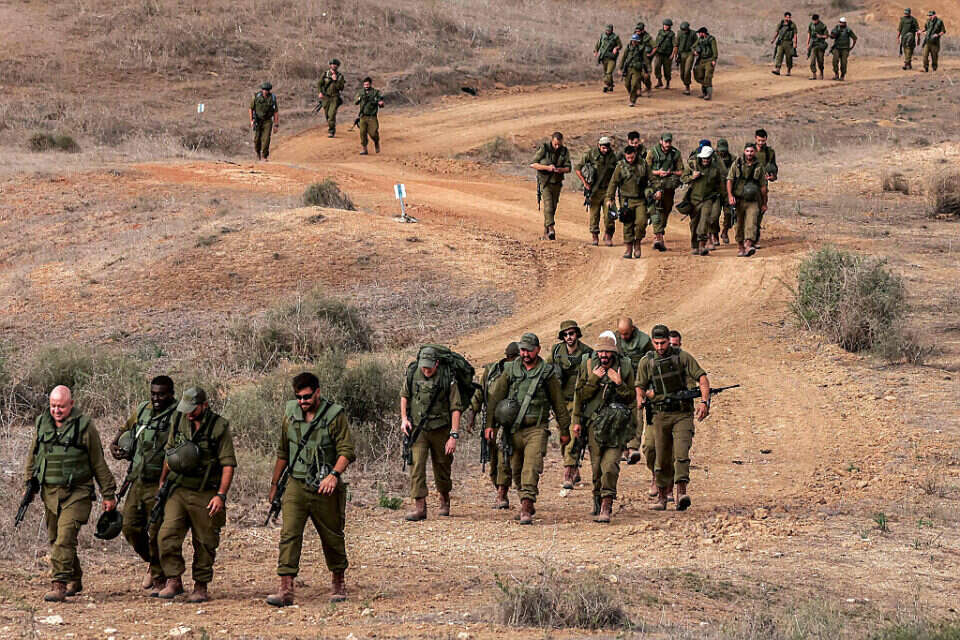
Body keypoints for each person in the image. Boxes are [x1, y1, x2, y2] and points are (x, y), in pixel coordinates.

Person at [266, 372, 355, 607]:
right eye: (298, 397)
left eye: (306, 397)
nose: (302, 401)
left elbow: (346, 451)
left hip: (324, 487)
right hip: (296, 484)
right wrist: (274, 485)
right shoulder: (290, 414)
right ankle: (286, 588)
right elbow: (283, 452)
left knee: (332, 534)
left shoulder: (334, 416)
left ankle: (338, 582)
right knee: (289, 535)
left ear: (317, 392)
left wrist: (334, 475)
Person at [24, 386, 117, 602]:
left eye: (61, 406)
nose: (56, 410)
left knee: (65, 538)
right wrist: (30, 481)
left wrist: (108, 494)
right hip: (50, 493)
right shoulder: (42, 423)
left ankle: (59, 584)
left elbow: (98, 462)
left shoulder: (85, 427)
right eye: (53, 406)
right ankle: (75, 577)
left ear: (71, 404)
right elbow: (33, 454)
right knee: (56, 538)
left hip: (78, 492)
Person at [156, 387, 237, 602]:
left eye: (193, 410)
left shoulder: (219, 427)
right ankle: (174, 580)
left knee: (205, 541)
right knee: (167, 535)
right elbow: (170, 453)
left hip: (205, 491)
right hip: (179, 488)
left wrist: (221, 495)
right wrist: (162, 481)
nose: (189, 414)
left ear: (204, 405)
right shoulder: (179, 420)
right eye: (186, 410)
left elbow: (228, 464)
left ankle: (201, 585)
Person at [487, 333, 570, 525]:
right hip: (513, 429)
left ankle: (526, 507)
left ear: (538, 350)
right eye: (522, 350)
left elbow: (558, 403)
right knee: (516, 469)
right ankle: (525, 500)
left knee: (531, 468)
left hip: (536, 428)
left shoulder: (546, 373)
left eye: (529, 350)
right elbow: (495, 398)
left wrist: (564, 431)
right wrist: (490, 425)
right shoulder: (510, 370)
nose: (525, 354)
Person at [109, 376, 178, 596]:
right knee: (130, 527)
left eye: (161, 394)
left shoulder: (178, 415)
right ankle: (153, 563)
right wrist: (115, 445)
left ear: (171, 394)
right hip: (137, 479)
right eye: (153, 394)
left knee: (158, 532)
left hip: (161, 483)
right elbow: (125, 429)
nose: (156, 398)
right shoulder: (143, 410)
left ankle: (161, 579)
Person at [635, 325, 710, 511]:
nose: (660, 347)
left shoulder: (682, 357)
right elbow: (640, 385)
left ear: (669, 341)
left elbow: (702, 378)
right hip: (660, 415)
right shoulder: (647, 361)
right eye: (656, 343)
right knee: (661, 457)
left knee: (681, 453)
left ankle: (681, 493)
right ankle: (662, 497)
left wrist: (704, 402)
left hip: (682, 414)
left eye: (663, 343)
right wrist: (641, 398)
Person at [570, 334, 636, 523]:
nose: (604, 355)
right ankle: (597, 500)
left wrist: (619, 383)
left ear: (613, 352)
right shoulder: (589, 366)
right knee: (596, 468)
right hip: (594, 425)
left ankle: (607, 504)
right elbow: (579, 396)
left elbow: (631, 397)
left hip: (616, 426)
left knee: (610, 466)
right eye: (601, 352)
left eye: (607, 352)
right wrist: (593, 380)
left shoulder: (625, 367)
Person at [400, 347, 462, 521]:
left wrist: (453, 435)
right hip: (418, 429)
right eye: (424, 367)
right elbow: (404, 396)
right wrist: (404, 419)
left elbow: (456, 408)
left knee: (442, 465)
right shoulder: (413, 373)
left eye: (429, 367)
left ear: (437, 364)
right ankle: (420, 507)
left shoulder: (447, 377)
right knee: (416, 465)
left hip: (441, 428)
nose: (426, 370)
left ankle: (444, 498)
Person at [470, 342, 521, 509]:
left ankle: (502, 494)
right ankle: (499, 488)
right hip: (491, 423)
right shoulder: (492, 371)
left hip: (509, 424)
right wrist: (472, 415)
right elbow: (480, 393)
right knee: (493, 463)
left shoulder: (520, 373)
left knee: (504, 459)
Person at [549, 321, 593, 489]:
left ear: (577, 334)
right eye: (566, 334)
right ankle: (574, 470)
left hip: (578, 401)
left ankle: (568, 472)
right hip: (561, 402)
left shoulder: (587, 352)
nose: (569, 337)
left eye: (572, 333)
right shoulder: (556, 351)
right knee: (564, 437)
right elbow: (545, 370)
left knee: (575, 437)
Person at [614, 318, 653, 468]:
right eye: (621, 334)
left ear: (633, 329)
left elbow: (651, 362)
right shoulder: (614, 339)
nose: (623, 337)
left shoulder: (643, 340)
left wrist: (649, 385)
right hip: (620, 381)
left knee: (637, 412)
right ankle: (622, 449)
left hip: (637, 382)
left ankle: (632, 448)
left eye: (626, 333)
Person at [606, 144, 653, 259]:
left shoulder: (643, 164)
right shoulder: (620, 166)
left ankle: (637, 243)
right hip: (626, 199)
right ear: (625, 156)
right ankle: (628, 248)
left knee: (641, 222)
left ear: (635, 154)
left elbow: (652, 179)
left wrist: (656, 191)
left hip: (641, 199)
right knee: (628, 224)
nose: (630, 160)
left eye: (632, 157)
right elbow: (613, 182)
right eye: (628, 158)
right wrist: (610, 198)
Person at [680, 146, 725, 256]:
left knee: (705, 220)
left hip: (708, 199)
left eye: (707, 158)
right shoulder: (693, 166)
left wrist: (724, 198)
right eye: (704, 158)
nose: (705, 160)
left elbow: (720, 185)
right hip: (694, 200)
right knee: (694, 223)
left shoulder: (715, 169)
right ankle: (694, 245)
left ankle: (702, 244)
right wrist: (692, 177)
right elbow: (682, 178)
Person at [726, 143, 768, 257]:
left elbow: (763, 187)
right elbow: (729, 180)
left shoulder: (759, 166)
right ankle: (741, 247)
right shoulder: (737, 163)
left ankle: (748, 244)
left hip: (753, 200)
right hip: (738, 199)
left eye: (752, 151)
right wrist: (730, 196)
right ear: (744, 151)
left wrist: (764, 203)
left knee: (752, 221)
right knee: (738, 224)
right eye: (747, 151)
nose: (749, 153)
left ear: (755, 152)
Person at [576, 136, 619, 246]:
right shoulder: (590, 154)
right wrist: (585, 183)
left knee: (609, 215)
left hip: (608, 191)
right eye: (603, 148)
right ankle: (595, 236)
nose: (605, 150)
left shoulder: (612, 157)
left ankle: (608, 235)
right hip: (594, 191)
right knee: (594, 215)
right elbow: (578, 168)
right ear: (599, 146)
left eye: (607, 148)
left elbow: (617, 172)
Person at [646, 133, 684, 251]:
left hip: (668, 186)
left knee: (666, 208)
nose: (667, 144)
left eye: (669, 142)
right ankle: (658, 236)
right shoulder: (652, 152)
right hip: (654, 184)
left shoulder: (675, 153)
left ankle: (660, 232)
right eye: (666, 142)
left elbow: (681, 171)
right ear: (661, 141)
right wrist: (658, 172)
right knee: (656, 209)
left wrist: (670, 172)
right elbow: (646, 169)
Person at [531, 132, 572, 240]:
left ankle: (546, 232)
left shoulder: (564, 151)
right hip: (545, 182)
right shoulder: (545, 148)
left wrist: (560, 170)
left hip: (557, 182)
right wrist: (547, 168)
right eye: (555, 144)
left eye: (559, 144)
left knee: (553, 207)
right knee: (548, 206)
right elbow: (533, 164)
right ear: (552, 141)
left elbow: (569, 168)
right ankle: (551, 228)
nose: (557, 146)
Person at [754, 129, 778, 245]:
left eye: (763, 141)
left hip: (762, 185)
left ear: (766, 139)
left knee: (761, 209)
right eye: (759, 140)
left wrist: (773, 176)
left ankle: (755, 234)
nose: (761, 143)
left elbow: (774, 167)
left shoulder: (769, 152)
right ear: (755, 139)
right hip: (749, 184)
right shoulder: (750, 150)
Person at [250, 82, 278, 161]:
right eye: (264, 90)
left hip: (267, 121)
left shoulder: (272, 98)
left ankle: (264, 156)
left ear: (269, 90)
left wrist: (276, 125)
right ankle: (258, 153)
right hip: (258, 120)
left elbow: (275, 112)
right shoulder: (256, 97)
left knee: (266, 139)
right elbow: (251, 109)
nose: (265, 91)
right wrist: (251, 120)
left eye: (267, 90)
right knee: (257, 139)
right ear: (262, 90)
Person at [355, 77, 384, 155]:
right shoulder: (361, 92)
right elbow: (356, 101)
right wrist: (359, 98)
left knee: (373, 133)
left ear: (370, 84)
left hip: (372, 116)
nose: (366, 86)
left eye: (367, 84)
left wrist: (380, 103)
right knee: (362, 133)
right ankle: (364, 149)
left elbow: (380, 101)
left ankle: (376, 142)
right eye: (365, 84)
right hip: (363, 116)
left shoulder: (375, 92)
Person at [318, 59, 346, 137]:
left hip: (335, 98)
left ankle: (331, 131)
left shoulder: (340, 76)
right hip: (326, 97)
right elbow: (319, 84)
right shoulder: (325, 74)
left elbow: (341, 88)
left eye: (335, 64)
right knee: (327, 115)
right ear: (330, 65)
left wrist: (335, 80)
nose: (334, 66)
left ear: (338, 66)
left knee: (331, 115)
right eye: (332, 64)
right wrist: (320, 92)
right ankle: (331, 125)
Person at [715, 138, 735, 244]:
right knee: (714, 214)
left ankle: (725, 231)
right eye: (720, 150)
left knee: (729, 214)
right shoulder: (712, 158)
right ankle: (714, 235)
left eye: (724, 150)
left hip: (729, 191)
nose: (722, 152)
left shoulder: (733, 159)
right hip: (716, 191)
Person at [621, 33, 649, 105]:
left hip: (637, 69)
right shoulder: (628, 48)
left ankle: (632, 100)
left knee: (634, 84)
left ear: (638, 42)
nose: (634, 42)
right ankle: (632, 94)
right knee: (627, 84)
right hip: (628, 68)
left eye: (635, 41)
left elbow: (645, 60)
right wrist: (620, 68)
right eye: (633, 40)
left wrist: (646, 71)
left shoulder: (641, 49)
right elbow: (623, 58)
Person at [595, 24, 623, 92]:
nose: (608, 31)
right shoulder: (602, 36)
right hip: (604, 57)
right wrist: (596, 51)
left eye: (609, 30)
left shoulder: (615, 37)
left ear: (612, 30)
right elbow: (598, 44)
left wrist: (616, 48)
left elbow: (620, 45)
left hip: (611, 58)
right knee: (606, 73)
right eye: (607, 30)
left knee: (609, 72)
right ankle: (610, 85)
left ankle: (607, 85)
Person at [693, 27, 718, 100]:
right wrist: (695, 51)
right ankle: (704, 93)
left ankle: (708, 95)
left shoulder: (711, 39)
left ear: (703, 33)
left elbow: (715, 50)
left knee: (708, 76)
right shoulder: (699, 39)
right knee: (699, 76)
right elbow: (693, 47)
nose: (699, 34)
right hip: (701, 60)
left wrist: (714, 59)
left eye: (700, 33)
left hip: (709, 60)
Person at [653, 19, 677, 89]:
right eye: (664, 25)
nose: (665, 26)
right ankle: (659, 81)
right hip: (659, 53)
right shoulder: (660, 32)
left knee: (667, 69)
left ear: (670, 26)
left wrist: (672, 54)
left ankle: (667, 83)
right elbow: (656, 42)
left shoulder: (672, 34)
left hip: (667, 55)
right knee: (657, 66)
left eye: (667, 26)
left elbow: (675, 45)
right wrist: (653, 51)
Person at [676, 21, 697, 95]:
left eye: (685, 30)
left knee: (687, 70)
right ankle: (685, 83)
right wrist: (676, 55)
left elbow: (697, 43)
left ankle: (687, 87)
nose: (684, 31)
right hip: (681, 54)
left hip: (690, 53)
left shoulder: (693, 33)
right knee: (682, 73)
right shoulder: (679, 33)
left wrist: (695, 51)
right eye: (683, 30)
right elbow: (677, 44)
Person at [807, 14, 829, 79]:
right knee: (812, 60)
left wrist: (820, 36)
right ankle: (814, 74)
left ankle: (821, 72)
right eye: (813, 20)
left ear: (818, 19)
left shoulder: (822, 26)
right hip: (813, 45)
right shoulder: (811, 25)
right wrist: (807, 43)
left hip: (820, 45)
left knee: (820, 60)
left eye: (815, 20)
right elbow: (809, 33)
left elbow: (827, 36)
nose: (814, 21)